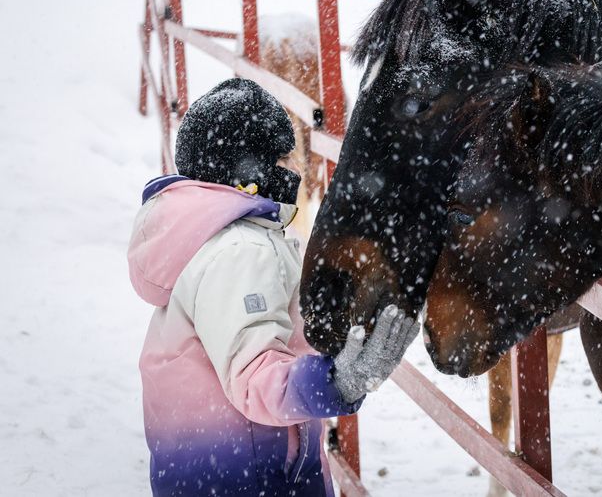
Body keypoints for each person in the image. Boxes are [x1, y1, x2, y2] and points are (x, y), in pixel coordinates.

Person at [127, 78, 417, 496]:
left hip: (210, 471)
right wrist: (338, 382)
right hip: (254, 474)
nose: (296, 169)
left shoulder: (206, 240)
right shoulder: (241, 250)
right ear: (249, 171)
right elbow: (255, 377)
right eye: (284, 158)